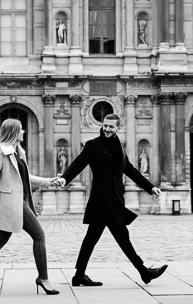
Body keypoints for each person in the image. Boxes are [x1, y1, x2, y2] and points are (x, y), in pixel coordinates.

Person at [52, 114, 167, 287]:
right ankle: (144, 272)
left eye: (111, 127)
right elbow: (78, 163)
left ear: (118, 128)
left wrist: (150, 187)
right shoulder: (93, 145)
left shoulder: (119, 147)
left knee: (93, 238)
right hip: (102, 199)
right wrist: (64, 178)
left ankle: (79, 275)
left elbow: (130, 170)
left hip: (115, 197)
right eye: (105, 125)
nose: (106, 129)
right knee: (120, 237)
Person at [0, 119, 59, 296]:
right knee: (39, 236)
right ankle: (43, 279)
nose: (24, 131)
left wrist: (48, 182)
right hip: (13, 203)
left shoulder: (17, 153)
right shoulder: (2, 153)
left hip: (17, 202)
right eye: (21, 129)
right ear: (14, 132)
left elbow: (26, 177)